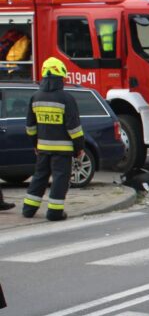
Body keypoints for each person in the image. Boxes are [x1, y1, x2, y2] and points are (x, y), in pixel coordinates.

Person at [22, 57, 85, 221]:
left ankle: (28, 209)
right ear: (60, 76)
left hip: (43, 148)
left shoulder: (35, 97)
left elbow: (30, 126)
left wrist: (35, 144)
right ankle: (54, 212)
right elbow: (74, 129)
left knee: (39, 177)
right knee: (60, 179)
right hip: (63, 151)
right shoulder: (66, 98)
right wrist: (79, 148)